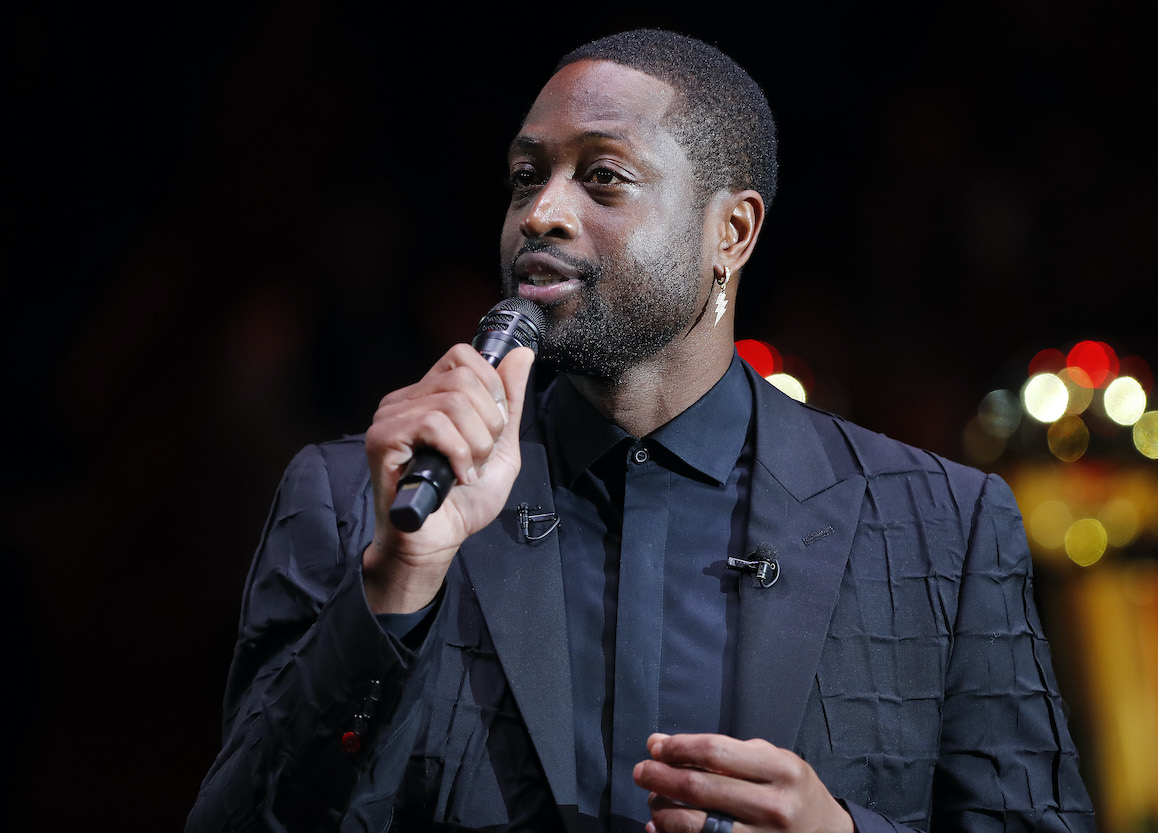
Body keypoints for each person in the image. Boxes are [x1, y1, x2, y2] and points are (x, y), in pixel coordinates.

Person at [187, 29, 1094, 833]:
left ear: (729, 233)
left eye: (603, 176)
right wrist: (398, 581)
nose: (541, 211)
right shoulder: (357, 500)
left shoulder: (944, 526)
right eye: (525, 176)